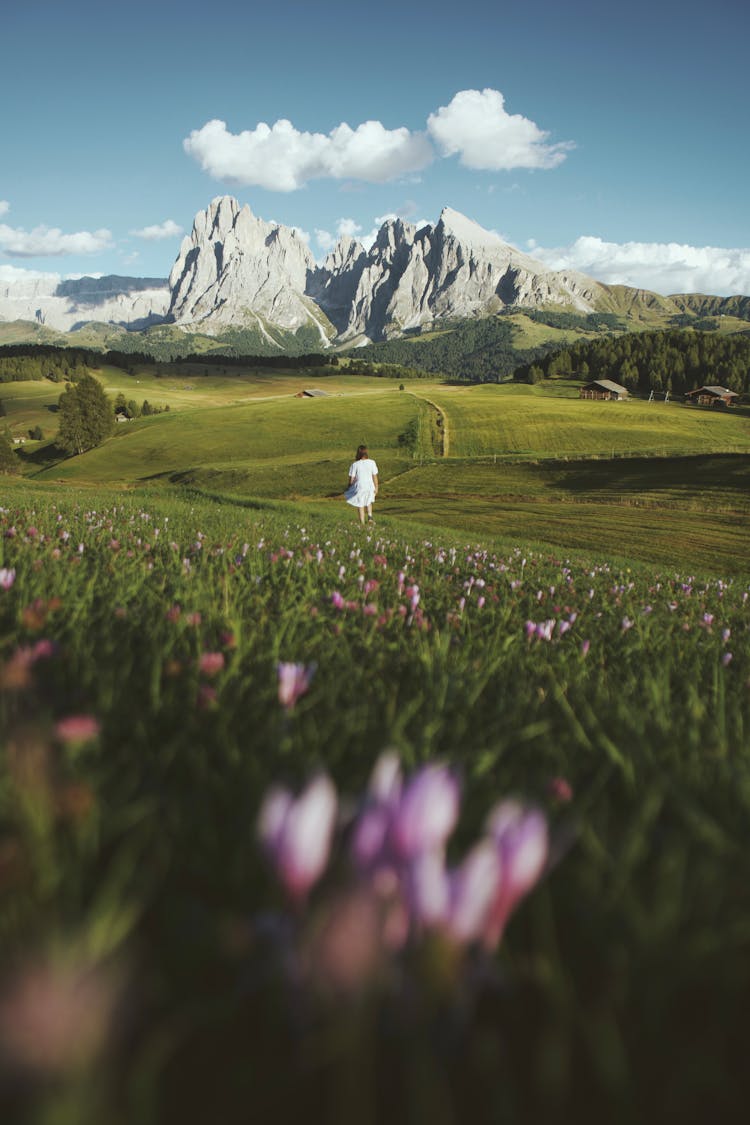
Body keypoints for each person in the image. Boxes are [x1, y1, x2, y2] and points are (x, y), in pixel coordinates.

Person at [344, 444, 379, 525]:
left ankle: (362, 523)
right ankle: (370, 517)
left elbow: (351, 479)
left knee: (360, 504)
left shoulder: (355, 464)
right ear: (366, 453)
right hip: (370, 486)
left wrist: (349, 486)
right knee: (369, 500)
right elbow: (375, 476)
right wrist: (376, 487)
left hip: (359, 486)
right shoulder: (372, 462)